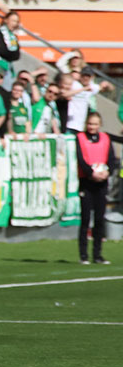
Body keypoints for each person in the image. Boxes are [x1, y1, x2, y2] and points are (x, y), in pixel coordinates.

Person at [76, 112, 118, 264]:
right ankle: (83, 255)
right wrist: (91, 173)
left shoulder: (105, 138)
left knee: (99, 219)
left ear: (99, 125)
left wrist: (107, 172)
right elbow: (80, 159)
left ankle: (97, 255)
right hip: (86, 182)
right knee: (86, 219)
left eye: (95, 124)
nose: (92, 127)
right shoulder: (80, 138)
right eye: (90, 124)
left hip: (102, 183)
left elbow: (111, 159)